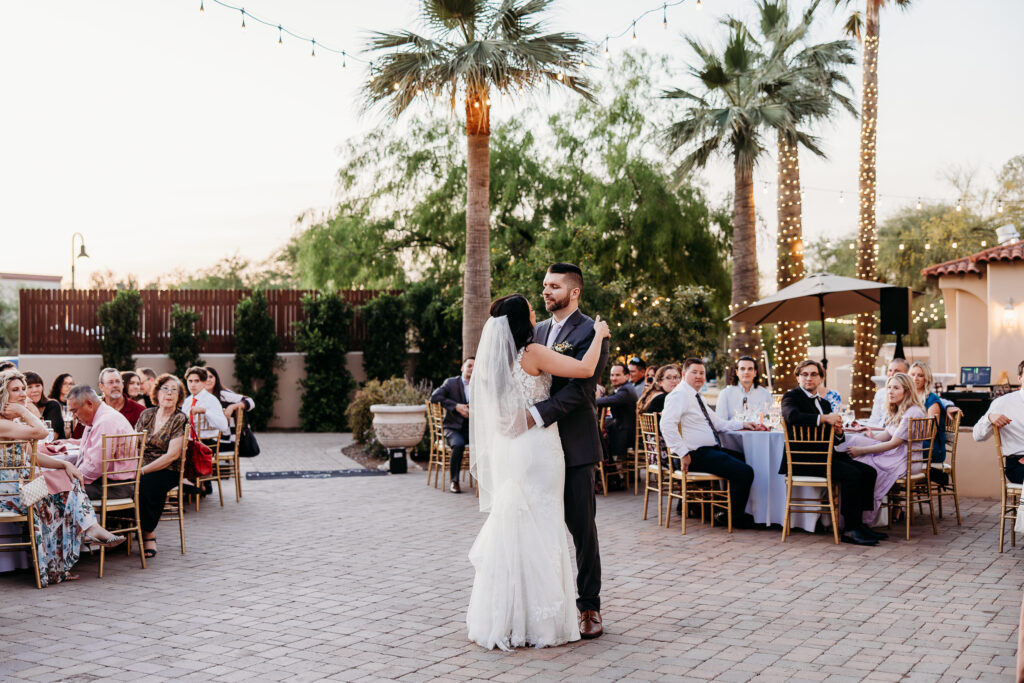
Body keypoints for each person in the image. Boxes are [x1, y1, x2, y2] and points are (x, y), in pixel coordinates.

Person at [466, 292, 610, 650]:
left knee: (517, 523)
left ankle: (509, 614)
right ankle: (544, 620)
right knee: (543, 525)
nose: (536, 311)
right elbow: (585, 370)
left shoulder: (493, 362)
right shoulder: (532, 352)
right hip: (539, 447)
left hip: (510, 449)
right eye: (530, 309)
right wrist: (600, 336)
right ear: (522, 320)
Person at [524, 263, 610, 640]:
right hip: (539, 450)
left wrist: (536, 415)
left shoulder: (593, 331)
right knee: (540, 526)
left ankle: (589, 606)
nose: (546, 291)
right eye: (544, 285)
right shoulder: (538, 331)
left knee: (582, 529)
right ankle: (546, 605)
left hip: (574, 444)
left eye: (553, 286)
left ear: (573, 292)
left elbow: (582, 390)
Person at [0, 371, 125, 586]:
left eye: (23, 388)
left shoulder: (12, 423)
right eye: (16, 390)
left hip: (21, 487)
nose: (23, 393)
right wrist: (24, 409)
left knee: (67, 481)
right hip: (8, 493)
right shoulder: (2, 424)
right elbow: (41, 433)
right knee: (59, 499)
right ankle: (80, 538)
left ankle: (72, 548)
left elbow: (31, 456)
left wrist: (65, 463)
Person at [780, 359, 881, 546]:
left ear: (821, 378)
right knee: (853, 475)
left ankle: (860, 523)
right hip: (805, 460)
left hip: (826, 456)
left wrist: (839, 433)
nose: (808, 378)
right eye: (804, 374)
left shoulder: (824, 403)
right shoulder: (791, 397)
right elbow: (792, 416)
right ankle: (850, 529)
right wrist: (825, 419)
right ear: (798, 377)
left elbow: (834, 440)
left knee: (868, 472)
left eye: (813, 374)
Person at [660, 358, 760, 529]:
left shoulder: (696, 396)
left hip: (706, 451)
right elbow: (666, 425)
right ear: (684, 374)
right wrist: (683, 453)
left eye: (702, 373)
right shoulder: (679, 395)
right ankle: (734, 517)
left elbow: (718, 423)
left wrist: (743, 424)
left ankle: (722, 509)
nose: (699, 376)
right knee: (745, 471)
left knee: (746, 458)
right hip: (694, 455)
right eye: (694, 372)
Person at [837, 372, 927, 526]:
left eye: (896, 388)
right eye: (889, 387)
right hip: (897, 454)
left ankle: (862, 520)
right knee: (857, 441)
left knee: (866, 464)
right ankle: (850, 516)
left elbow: (894, 443)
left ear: (907, 391)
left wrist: (862, 450)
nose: (890, 391)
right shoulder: (899, 409)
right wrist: (866, 439)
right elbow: (886, 434)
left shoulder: (912, 412)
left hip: (907, 459)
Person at [135, 373, 189, 558]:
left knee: (147, 485)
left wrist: (142, 470)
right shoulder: (147, 414)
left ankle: (148, 532)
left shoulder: (179, 418)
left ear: (179, 396)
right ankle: (123, 529)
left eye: (174, 390)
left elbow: (172, 455)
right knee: (116, 481)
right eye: (165, 389)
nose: (169, 393)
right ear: (157, 393)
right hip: (141, 464)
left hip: (167, 468)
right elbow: (133, 443)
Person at [62, 385, 136, 501]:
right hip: (106, 482)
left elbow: (95, 467)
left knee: (55, 490)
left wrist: (68, 478)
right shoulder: (99, 417)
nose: (74, 417)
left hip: (115, 486)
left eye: (74, 411)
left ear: (89, 404)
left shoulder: (105, 421)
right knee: (51, 485)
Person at [974, 360, 1024, 484]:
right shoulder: (1003, 403)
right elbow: (977, 436)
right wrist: (989, 418)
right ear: (1020, 378)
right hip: (1018, 463)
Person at [430, 358, 474, 493]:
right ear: (462, 367)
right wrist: (456, 406)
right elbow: (434, 397)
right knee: (459, 444)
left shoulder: (481, 385)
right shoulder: (451, 383)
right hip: (452, 428)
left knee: (490, 443)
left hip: (471, 429)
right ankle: (454, 481)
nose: (472, 369)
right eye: (470, 366)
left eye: (475, 367)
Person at [73, 368, 145, 438]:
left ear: (122, 385)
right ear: (101, 387)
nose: (115, 385)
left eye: (118, 381)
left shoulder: (140, 411)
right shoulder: (90, 411)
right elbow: (78, 440)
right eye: (110, 382)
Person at [596, 363, 638, 473]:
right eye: (612, 375)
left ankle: (611, 475)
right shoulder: (624, 388)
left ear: (627, 376)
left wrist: (588, 400)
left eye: (617, 375)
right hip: (622, 428)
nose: (613, 378)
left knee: (600, 437)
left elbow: (608, 401)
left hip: (625, 433)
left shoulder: (626, 391)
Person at [203, 366, 255, 448]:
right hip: (206, 438)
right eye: (205, 377)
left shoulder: (223, 395)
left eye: (211, 377)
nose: (208, 379)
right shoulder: (198, 397)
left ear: (216, 379)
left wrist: (233, 406)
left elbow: (250, 402)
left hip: (225, 440)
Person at [909, 361, 947, 465]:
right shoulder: (908, 398)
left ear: (926, 378)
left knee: (893, 449)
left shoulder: (932, 399)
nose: (915, 378)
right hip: (913, 443)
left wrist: (907, 436)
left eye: (920, 375)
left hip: (930, 447)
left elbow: (930, 432)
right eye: (912, 375)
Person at [715, 356, 772, 421]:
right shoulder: (725, 394)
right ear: (737, 372)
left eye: (750, 369)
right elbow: (721, 422)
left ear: (755, 373)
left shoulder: (765, 394)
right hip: (733, 431)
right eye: (742, 369)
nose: (746, 372)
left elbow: (769, 420)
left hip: (759, 431)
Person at [181, 366, 229, 441]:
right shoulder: (187, 401)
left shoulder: (211, 400)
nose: (193, 385)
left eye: (197, 381)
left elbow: (224, 426)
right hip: (189, 441)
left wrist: (205, 411)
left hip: (207, 442)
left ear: (204, 383)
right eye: (190, 381)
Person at [865, 358, 910, 427]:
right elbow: (874, 419)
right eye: (890, 370)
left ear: (907, 373)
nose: (892, 374)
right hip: (879, 429)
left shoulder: (908, 394)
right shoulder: (880, 393)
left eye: (897, 371)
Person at [23, 372, 65, 440]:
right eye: (29, 387)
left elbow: (51, 437)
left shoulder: (53, 405)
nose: (35, 390)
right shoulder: (19, 409)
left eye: (37, 386)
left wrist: (34, 410)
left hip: (54, 448)